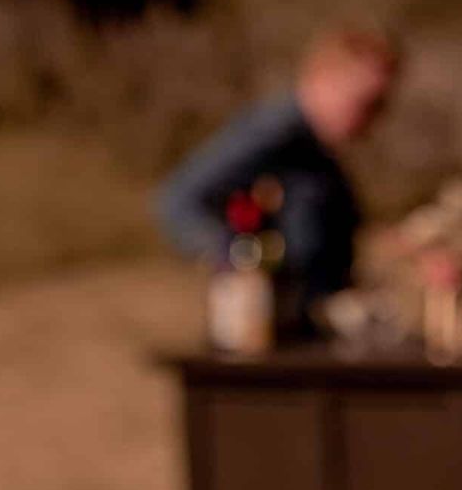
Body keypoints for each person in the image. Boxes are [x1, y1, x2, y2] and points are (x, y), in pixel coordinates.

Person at [155, 25, 400, 325]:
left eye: (381, 106)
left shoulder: (319, 151)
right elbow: (180, 200)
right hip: (270, 329)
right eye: (366, 103)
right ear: (324, 79)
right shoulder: (275, 132)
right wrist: (240, 261)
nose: (372, 118)